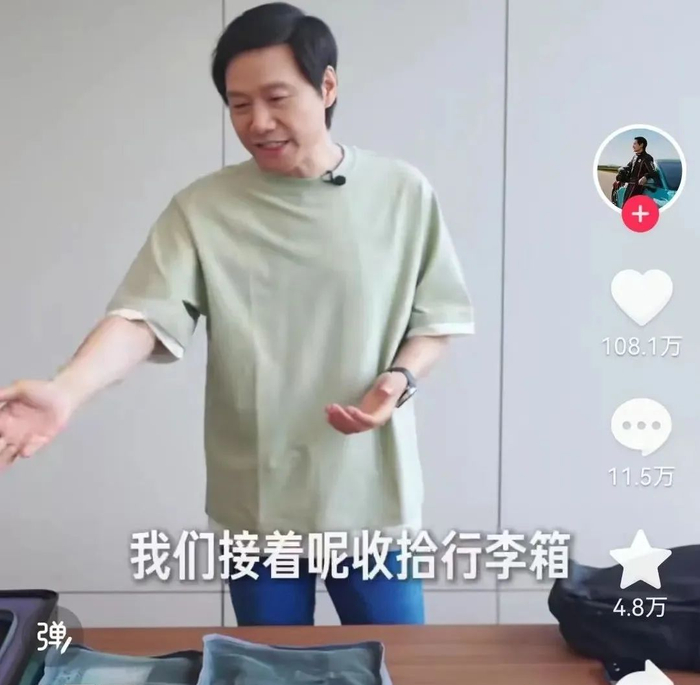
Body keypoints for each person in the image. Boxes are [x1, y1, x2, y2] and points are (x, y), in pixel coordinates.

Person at [0, 3, 473, 627]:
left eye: (277, 98)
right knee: (270, 672)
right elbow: (142, 318)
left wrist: (400, 379)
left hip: (369, 497)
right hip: (257, 502)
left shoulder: (400, 192)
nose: (259, 122)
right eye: (239, 104)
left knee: (400, 670)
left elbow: (435, 319)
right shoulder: (204, 208)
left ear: (327, 86)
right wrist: (67, 389)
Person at [613, 136, 657, 204]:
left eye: (635, 144)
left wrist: (645, 177)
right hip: (630, 184)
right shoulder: (635, 157)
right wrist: (622, 169)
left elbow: (653, 172)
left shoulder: (647, 158)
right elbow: (629, 166)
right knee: (625, 204)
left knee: (628, 205)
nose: (633, 146)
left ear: (641, 145)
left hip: (638, 186)